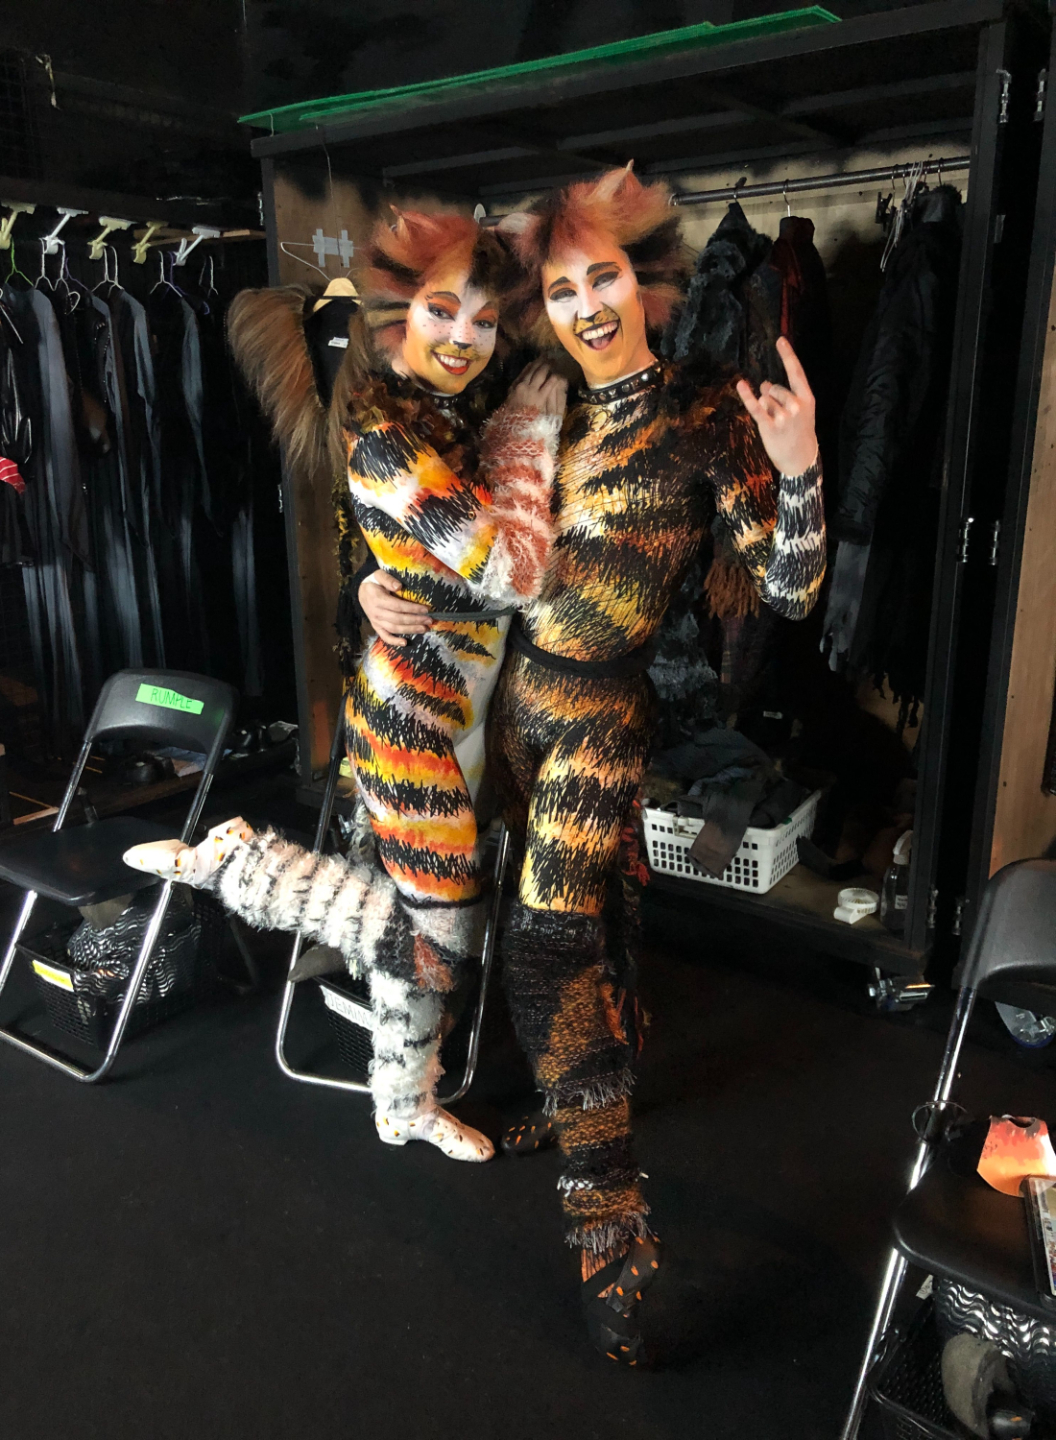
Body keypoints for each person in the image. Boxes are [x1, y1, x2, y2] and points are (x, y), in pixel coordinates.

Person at [125, 208, 565, 1163]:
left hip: (456, 706)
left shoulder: (443, 411)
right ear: (396, 310)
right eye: (442, 310)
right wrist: (531, 432)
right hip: (414, 716)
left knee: (422, 921)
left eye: (485, 319)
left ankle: (401, 1103)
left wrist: (377, 577)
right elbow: (516, 570)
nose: (464, 337)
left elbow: (422, 548)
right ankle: (235, 865)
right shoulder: (387, 432)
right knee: (443, 931)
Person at [477, 165, 827, 1364]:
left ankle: (609, 1218)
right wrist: (380, 590)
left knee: (544, 944)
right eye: (562, 288)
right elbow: (472, 562)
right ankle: (594, 1082)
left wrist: (800, 466)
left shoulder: (702, 415)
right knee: (606, 914)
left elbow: (789, 591)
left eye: (605, 277)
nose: (586, 306)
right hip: (515, 712)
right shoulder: (534, 408)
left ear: (648, 279)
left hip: (598, 715)